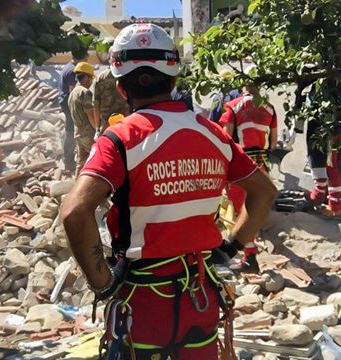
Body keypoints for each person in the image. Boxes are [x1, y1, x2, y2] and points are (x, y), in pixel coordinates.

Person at [61, 23, 276, 360]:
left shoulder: (119, 140)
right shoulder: (213, 134)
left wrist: (102, 283)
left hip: (143, 305)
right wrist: (230, 247)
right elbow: (264, 192)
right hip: (199, 298)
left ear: (120, 87)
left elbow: (75, 212)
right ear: (174, 79)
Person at [218, 72, 278, 272]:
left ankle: (249, 257)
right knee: (254, 207)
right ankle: (249, 255)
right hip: (261, 163)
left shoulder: (233, 106)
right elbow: (274, 141)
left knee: (240, 210)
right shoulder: (270, 108)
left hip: (241, 164)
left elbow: (224, 139)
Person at [58, 48, 88, 173]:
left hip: (64, 102)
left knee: (70, 129)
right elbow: (73, 92)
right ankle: (69, 160)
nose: (87, 59)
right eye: (86, 57)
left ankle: (68, 157)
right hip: (69, 105)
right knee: (72, 130)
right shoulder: (73, 71)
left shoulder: (69, 66)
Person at [68, 62, 97, 176]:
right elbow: (90, 114)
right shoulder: (85, 93)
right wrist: (98, 130)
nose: (91, 81)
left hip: (79, 132)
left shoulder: (73, 92)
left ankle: (76, 186)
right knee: (98, 157)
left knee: (81, 162)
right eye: (90, 78)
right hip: (88, 134)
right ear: (85, 77)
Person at [93, 60, 129, 136]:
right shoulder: (125, 75)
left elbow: (96, 103)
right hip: (125, 118)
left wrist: (97, 128)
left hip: (106, 121)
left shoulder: (100, 77)